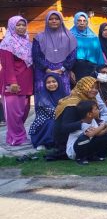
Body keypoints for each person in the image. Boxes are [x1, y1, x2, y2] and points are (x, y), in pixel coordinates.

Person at [52, 77, 107, 159]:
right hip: (67, 139)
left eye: (96, 88)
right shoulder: (72, 104)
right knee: (88, 138)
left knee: (105, 136)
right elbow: (64, 127)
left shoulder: (90, 100)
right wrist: (83, 124)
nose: (95, 90)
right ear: (83, 87)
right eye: (91, 87)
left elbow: (93, 120)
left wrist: (106, 126)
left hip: (82, 132)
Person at [0, 16, 33, 146]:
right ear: (12, 26)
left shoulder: (26, 41)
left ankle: (19, 136)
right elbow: (7, 64)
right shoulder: (7, 43)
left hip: (26, 82)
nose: (21, 27)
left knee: (24, 111)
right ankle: (15, 138)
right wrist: (12, 82)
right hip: (13, 83)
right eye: (18, 25)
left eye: (23, 25)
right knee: (13, 113)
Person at [32, 10, 77, 97]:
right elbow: (36, 55)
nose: (54, 21)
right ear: (47, 21)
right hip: (43, 72)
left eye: (57, 19)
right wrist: (47, 69)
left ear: (61, 21)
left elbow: (72, 55)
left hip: (62, 72)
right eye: (51, 19)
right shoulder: (39, 37)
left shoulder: (69, 37)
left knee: (62, 98)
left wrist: (62, 69)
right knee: (44, 99)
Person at [66, 100, 107, 165]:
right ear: (89, 114)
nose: (98, 111)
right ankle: (80, 158)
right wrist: (104, 125)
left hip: (85, 146)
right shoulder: (82, 124)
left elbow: (98, 133)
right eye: (96, 109)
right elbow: (90, 134)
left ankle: (92, 156)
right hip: (74, 152)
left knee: (105, 136)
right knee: (84, 138)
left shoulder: (92, 120)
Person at [29, 73, 66, 150]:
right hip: (43, 123)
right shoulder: (42, 96)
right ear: (45, 84)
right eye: (48, 82)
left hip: (59, 119)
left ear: (58, 82)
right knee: (52, 122)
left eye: (54, 81)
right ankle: (43, 142)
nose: (51, 84)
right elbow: (54, 113)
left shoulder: (64, 94)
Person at [70, 12, 105, 80]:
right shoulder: (69, 36)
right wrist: (69, 70)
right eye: (79, 20)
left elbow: (99, 55)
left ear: (87, 22)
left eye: (84, 21)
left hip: (91, 70)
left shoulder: (94, 37)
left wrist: (101, 70)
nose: (82, 23)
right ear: (75, 21)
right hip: (75, 70)